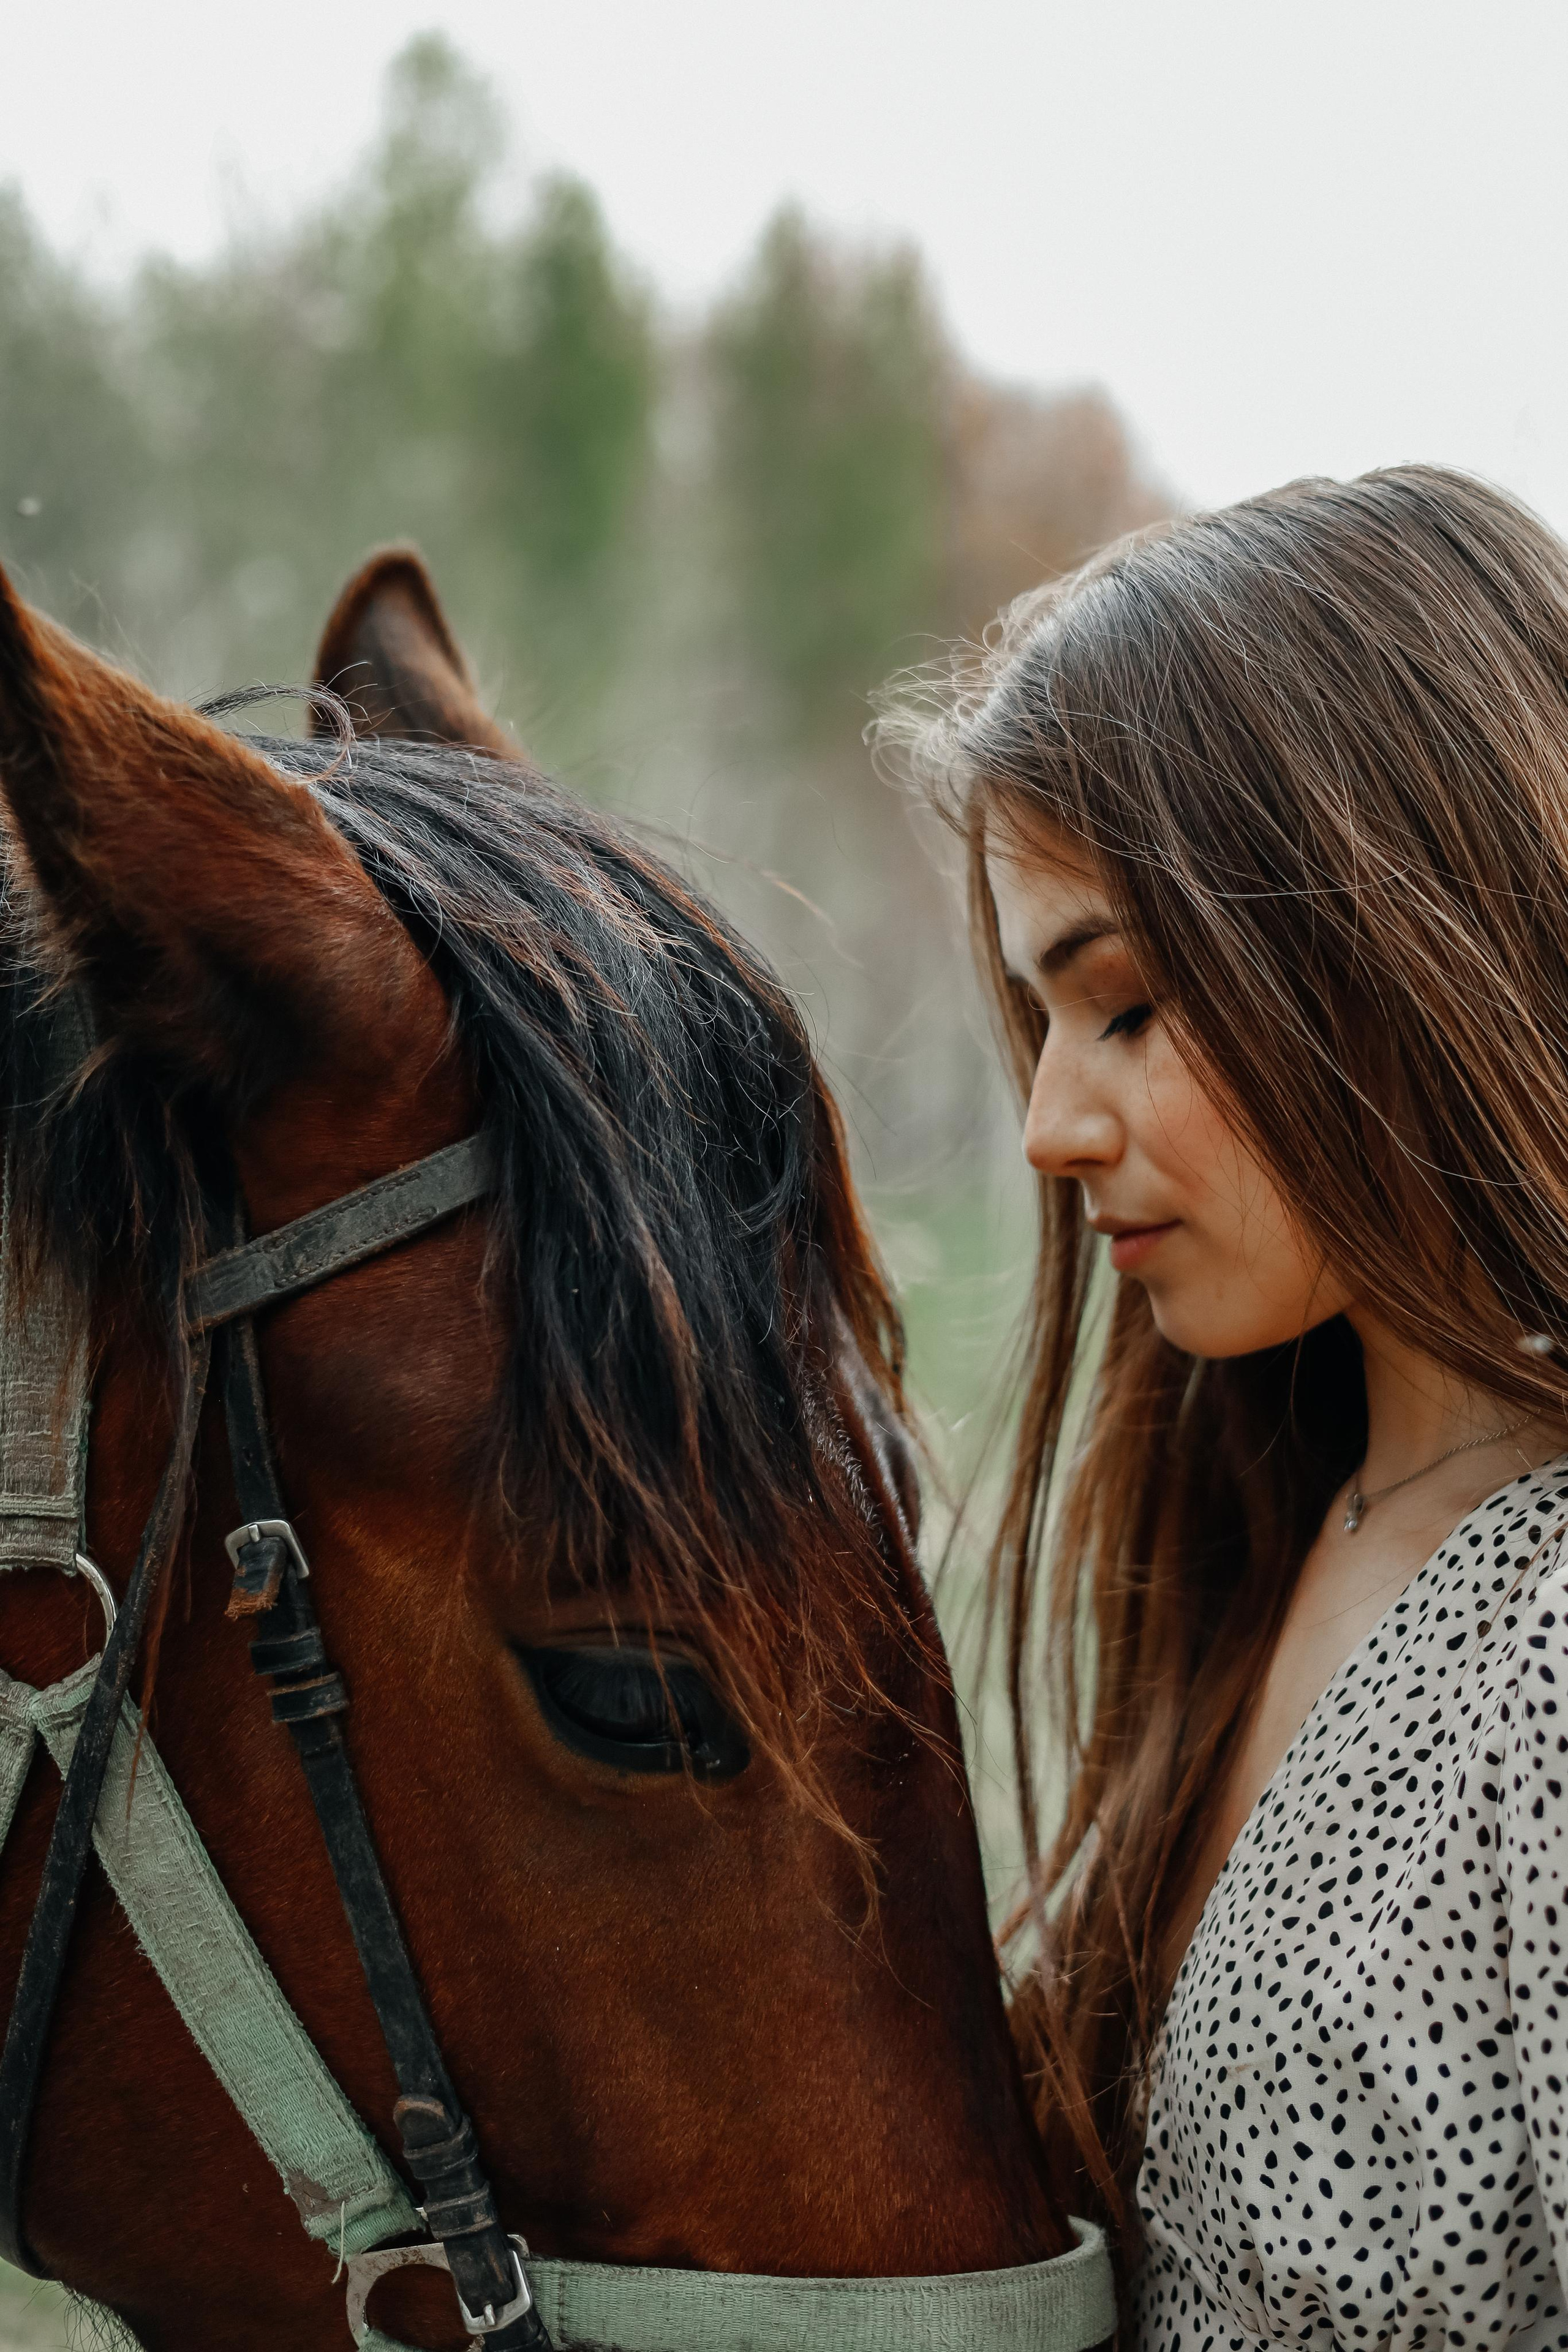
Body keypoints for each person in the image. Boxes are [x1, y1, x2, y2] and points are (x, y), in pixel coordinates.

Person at [881, 466, 1568, 2352]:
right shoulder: (1287, 1517)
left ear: (1402, 932)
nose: (1048, 1127)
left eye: (1124, 1006)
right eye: (1038, 1023)